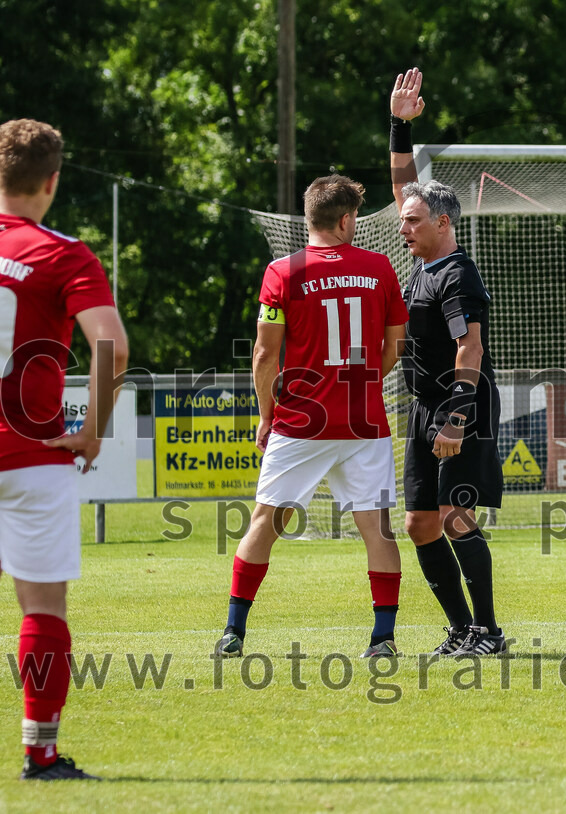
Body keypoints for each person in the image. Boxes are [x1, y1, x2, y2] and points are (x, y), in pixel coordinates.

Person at [213, 174, 408, 660]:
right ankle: (382, 640)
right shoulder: (380, 267)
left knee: (265, 521)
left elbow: (263, 354)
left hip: (302, 420)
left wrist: (266, 414)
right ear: (345, 220)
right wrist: (365, 381)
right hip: (364, 420)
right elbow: (396, 345)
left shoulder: (283, 272)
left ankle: (234, 632)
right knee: (377, 528)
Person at [0, 119, 129, 780]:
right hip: (32, 452)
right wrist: (94, 427)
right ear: (51, 182)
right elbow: (113, 345)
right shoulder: (63, 253)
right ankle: (40, 752)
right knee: (43, 611)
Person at [389, 68, 507, 656]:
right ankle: (460, 629)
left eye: (412, 220)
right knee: (419, 523)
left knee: (456, 516)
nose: (402, 226)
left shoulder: (456, 273)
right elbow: (403, 190)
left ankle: (488, 632)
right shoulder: (424, 258)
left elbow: (471, 347)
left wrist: (456, 417)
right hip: (425, 405)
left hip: (459, 407)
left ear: (442, 223)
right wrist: (398, 127)